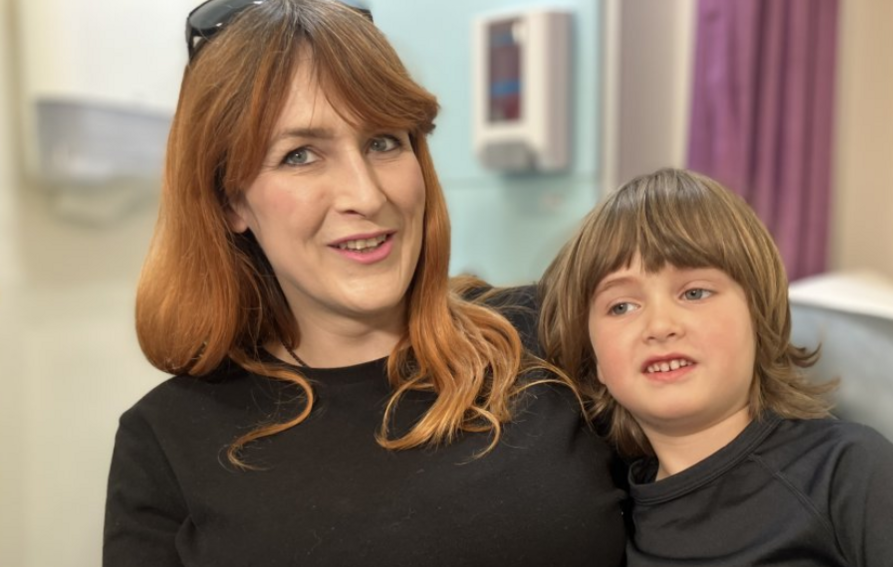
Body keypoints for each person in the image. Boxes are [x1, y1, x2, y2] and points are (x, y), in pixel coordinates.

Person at [102, 1, 626, 565]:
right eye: (300, 155)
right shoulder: (165, 442)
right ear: (232, 200)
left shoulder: (554, 334)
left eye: (383, 142)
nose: (367, 196)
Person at [538, 168, 893, 566]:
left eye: (694, 293)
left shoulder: (849, 472)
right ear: (592, 356)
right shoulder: (606, 521)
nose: (659, 325)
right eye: (621, 306)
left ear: (759, 317)